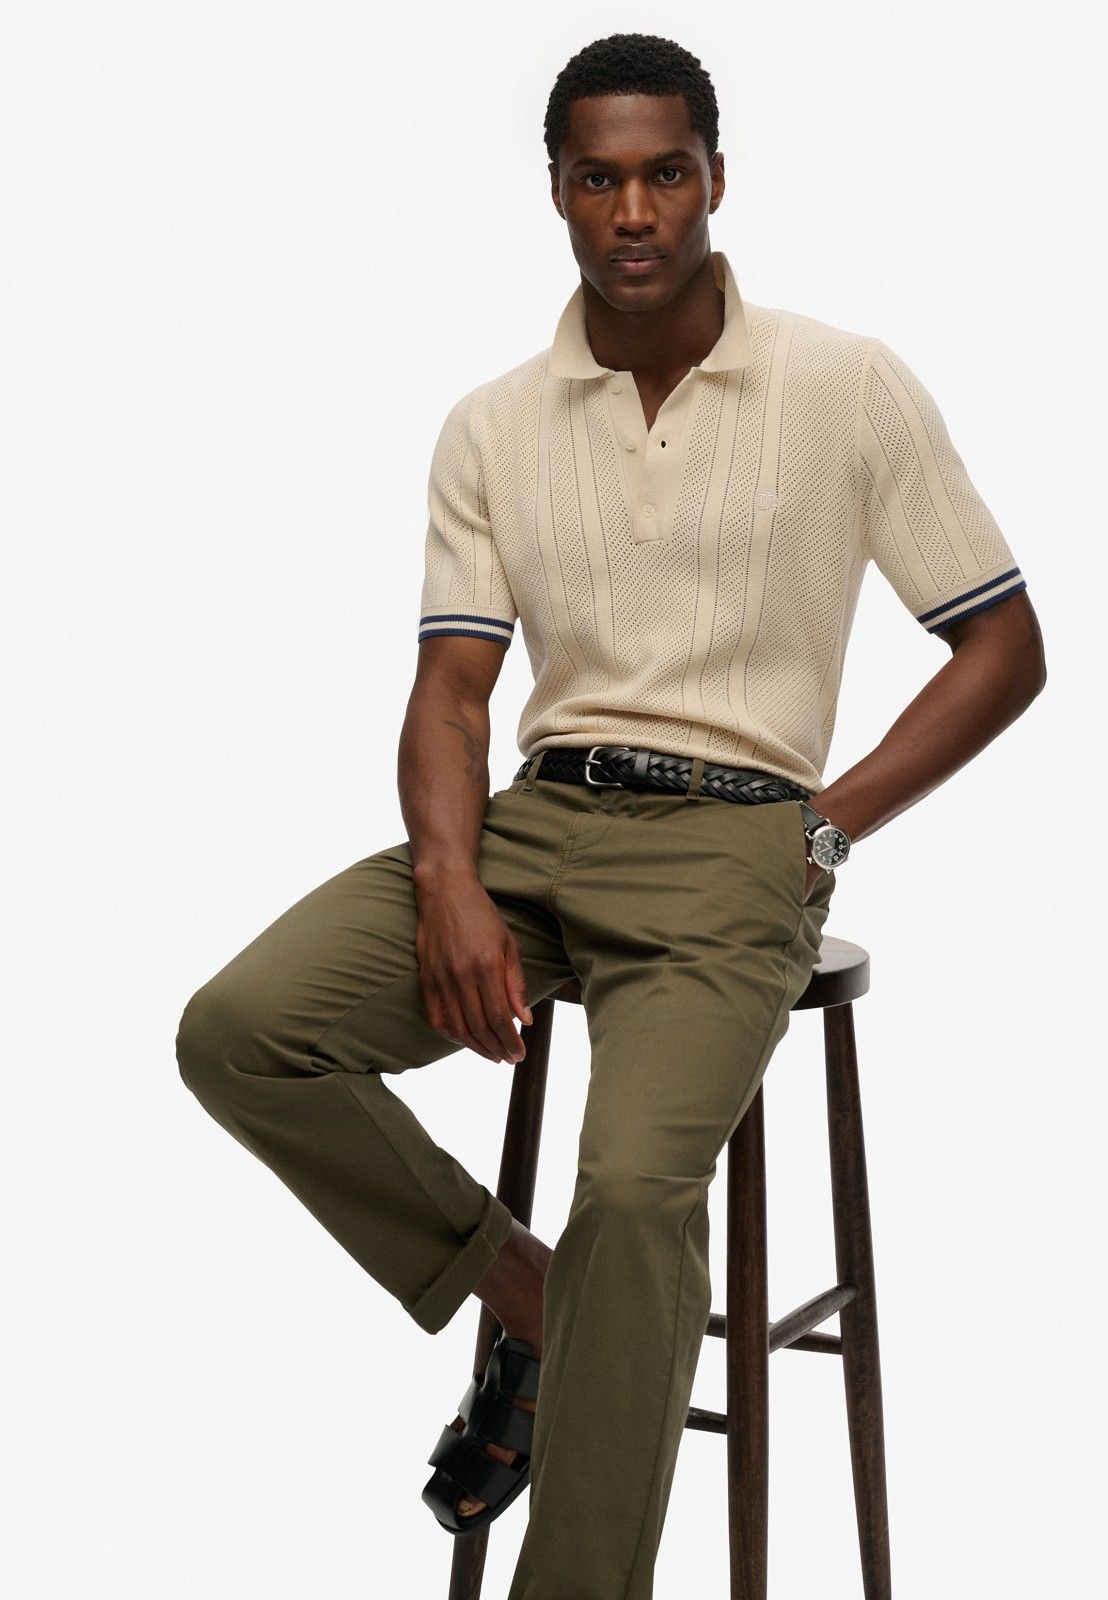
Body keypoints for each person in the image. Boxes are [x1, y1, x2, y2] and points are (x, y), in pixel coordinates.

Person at [175, 31, 1047, 1600]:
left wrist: (824, 830)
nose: (633, 212)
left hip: (737, 840)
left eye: (665, 175)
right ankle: (527, 1295)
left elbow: (1004, 644)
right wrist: (451, 879)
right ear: (557, 191)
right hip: (534, 829)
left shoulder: (843, 385)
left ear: (715, 180)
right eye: (599, 179)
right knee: (241, 1030)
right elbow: (453, 692)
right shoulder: (496, 423)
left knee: (640, 1195)